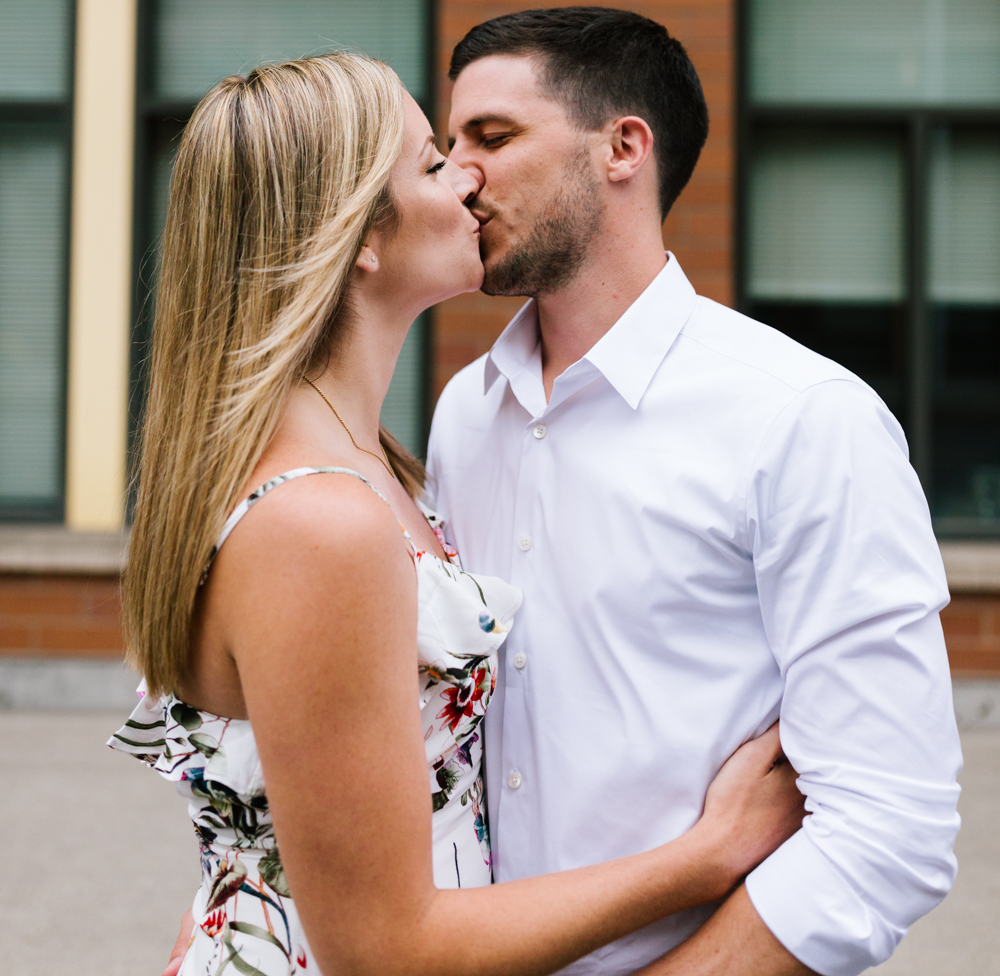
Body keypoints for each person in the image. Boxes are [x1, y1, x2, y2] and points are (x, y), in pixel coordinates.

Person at [116, 51, 804, 976]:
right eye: (435, 163)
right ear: (358, 234)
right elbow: (387, 950)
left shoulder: (379, 464)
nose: (468, 179)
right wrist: (705, 856)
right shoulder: (322, 523)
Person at [428, 7, 962, 976]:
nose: (458, 175)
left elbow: (889, 826)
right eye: (449, 144)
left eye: (492, 139)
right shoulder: (466, 414)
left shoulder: (801, 418)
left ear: (622, 147)